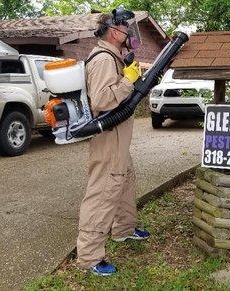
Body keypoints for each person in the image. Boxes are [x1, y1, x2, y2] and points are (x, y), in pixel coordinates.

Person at [76, 8, 149, 277]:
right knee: (104, 190)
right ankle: (89, 256)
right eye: (128, 29)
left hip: (118, 136)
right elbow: (103, 100)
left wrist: (131, 77)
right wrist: (129, 81)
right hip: (109, 137)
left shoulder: (114, 57)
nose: (131, 34)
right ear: (115, 31)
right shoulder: (104, 58)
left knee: (125, 179)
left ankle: (123, 230)